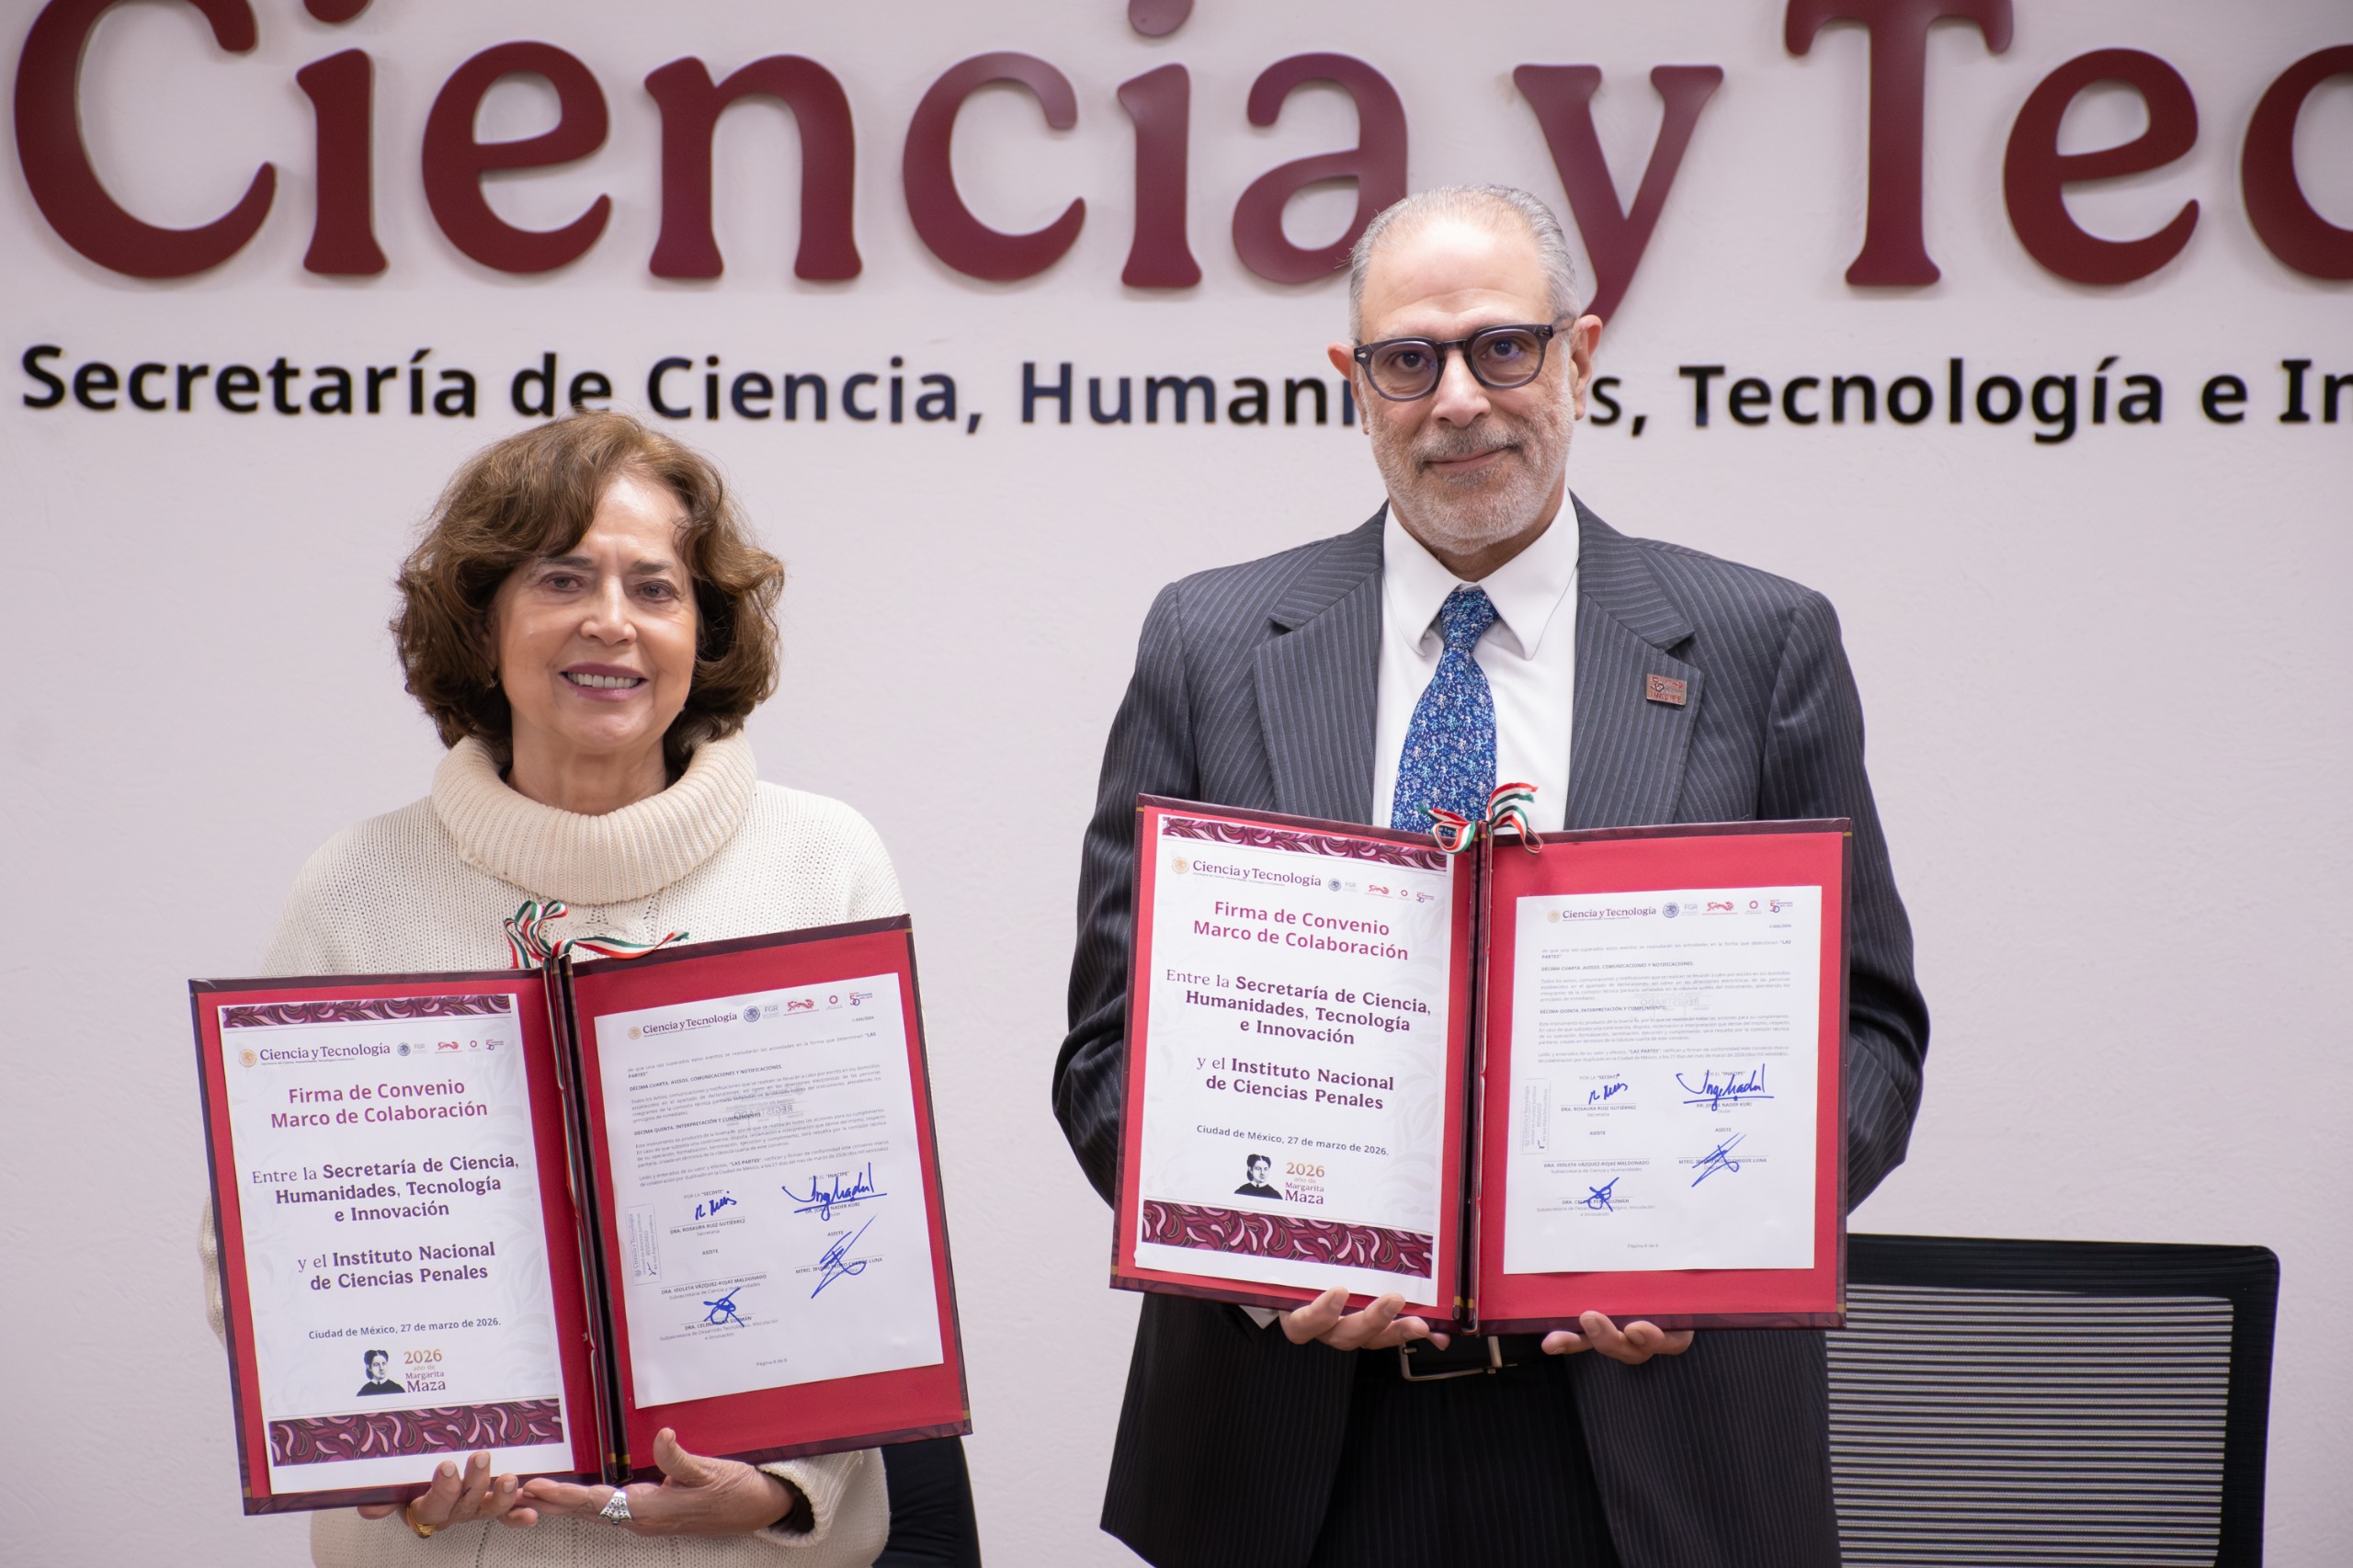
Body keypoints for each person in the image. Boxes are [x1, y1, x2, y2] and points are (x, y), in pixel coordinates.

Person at [1052, 187, 1927, 1567]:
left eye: (1502, 348)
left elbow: (1870, 1030)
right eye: (1409, 360)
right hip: (1293, 1436)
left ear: (1581, 355)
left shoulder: (1761, 645)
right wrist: (1253, 1257)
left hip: (1650, 1438)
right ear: (1353, 384)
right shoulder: (1208, 644)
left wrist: (1721, 1238)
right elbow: (1109, 1048)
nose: (1458, 399)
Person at [199, 413, 980, 1568]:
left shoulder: (821, 863)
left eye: (654, 587)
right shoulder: (357, 887)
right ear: (484, 623)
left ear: (701, 632)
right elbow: (260, 1250)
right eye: (562, 578)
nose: (611, 619)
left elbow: (867, 1235)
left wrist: (782, 1486)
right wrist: (392, 1459)